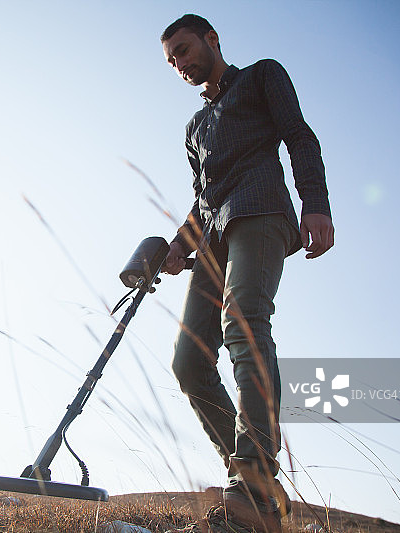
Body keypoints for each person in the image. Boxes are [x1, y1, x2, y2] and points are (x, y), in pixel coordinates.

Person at [159, 14, 334, 533]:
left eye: (184, 50)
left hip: (259, 211)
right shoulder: (194, 127)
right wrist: (177, 247)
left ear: (211, 39)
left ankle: (253, 486)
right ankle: (253, 482)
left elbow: (299, 136)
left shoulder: (261, 76)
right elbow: (202, 200)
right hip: (213, 239)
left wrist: (316, 203)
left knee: (243, 322)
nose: (180, 63)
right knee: (189, 361)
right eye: (171, 60)